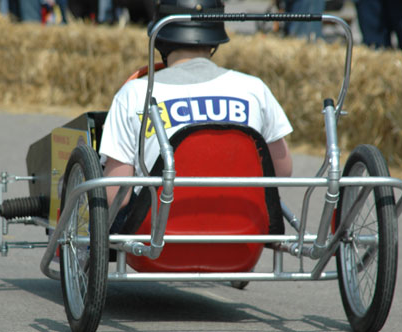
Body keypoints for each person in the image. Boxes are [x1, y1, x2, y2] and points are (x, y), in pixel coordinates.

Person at [99, 0, 293, 232]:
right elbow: (282, 170)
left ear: (160, 37)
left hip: (157, 243)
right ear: (215, 38)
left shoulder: (134, 93)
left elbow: (117, 196)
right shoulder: (254, 89)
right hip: (241, 239)